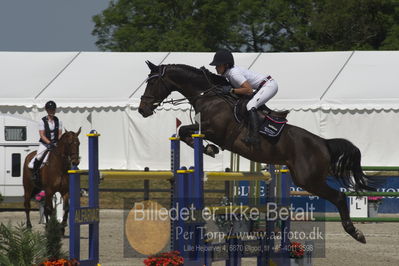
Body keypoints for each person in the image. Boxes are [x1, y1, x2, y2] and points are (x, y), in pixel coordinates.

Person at [210, 49, 278, 145]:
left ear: (226, 65)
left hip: (269, 86)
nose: (216, 67)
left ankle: (255, 137)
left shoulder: (234, 74)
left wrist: (231, 90)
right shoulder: (229, 74)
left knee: (250, 105)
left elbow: (249, 90)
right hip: (263, 86)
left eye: (218, 65)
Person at [29, 100, 63, 182]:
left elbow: (59, 134)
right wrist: (49, 143)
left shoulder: (58, 121)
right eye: (50, 110)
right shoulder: (42, 121)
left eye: (53, 110)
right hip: (45, 143)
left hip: (55, 143)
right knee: (39, 156)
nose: (52, 111)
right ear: (47, 110)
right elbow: (42, 135)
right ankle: (35, 174)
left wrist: (57, 142)